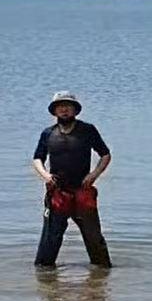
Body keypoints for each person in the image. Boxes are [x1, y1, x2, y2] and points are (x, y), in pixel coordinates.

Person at [32, 91, 112, 268]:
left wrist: (94, 175)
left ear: (75, 110)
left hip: (82, 192)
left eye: (68, 106)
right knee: (50, 239)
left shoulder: (87, 130)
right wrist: (45, 175)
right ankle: (45, 280)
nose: (65, 110)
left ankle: (102, 273)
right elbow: (37, 158)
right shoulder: (48, 134)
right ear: (55, 111)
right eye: (60, 107)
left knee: (93, 237)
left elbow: (105, 155)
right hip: (58, 194)